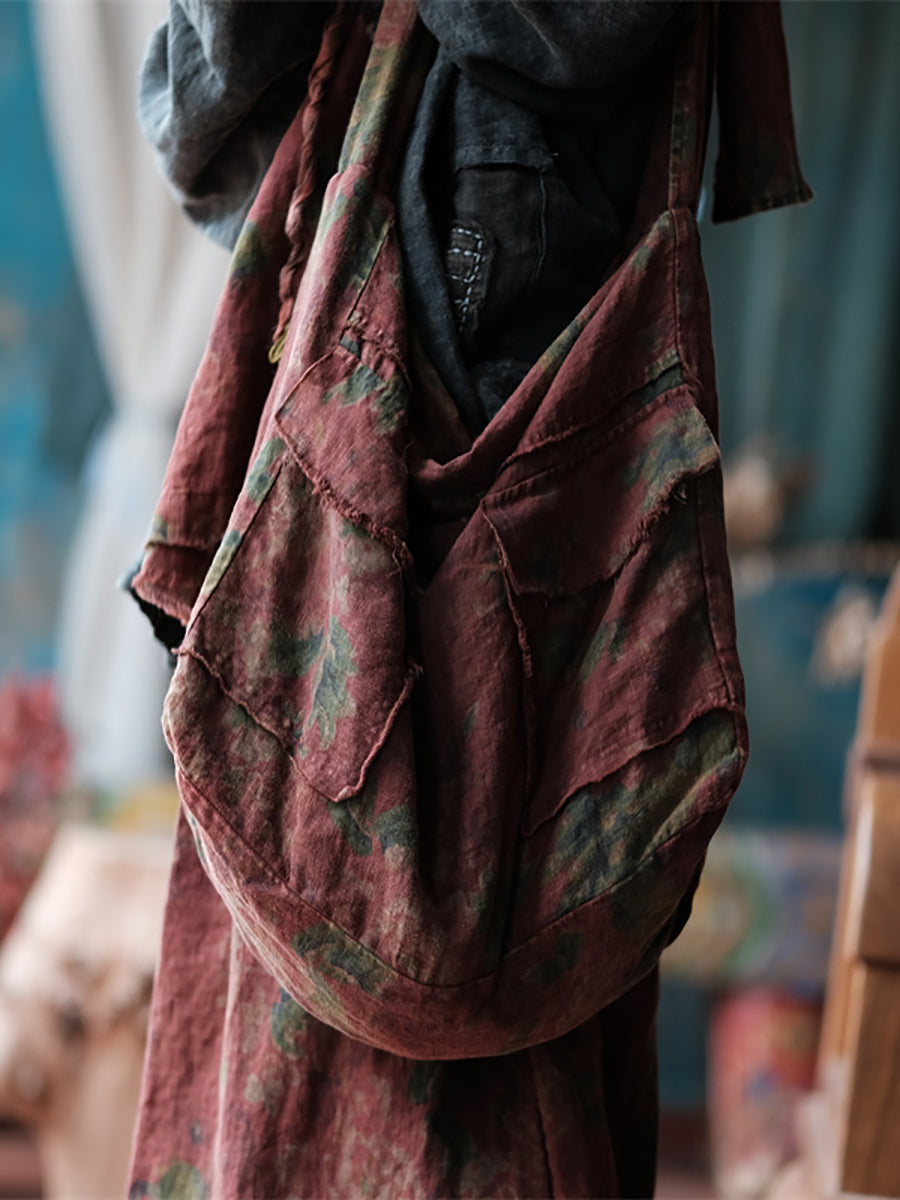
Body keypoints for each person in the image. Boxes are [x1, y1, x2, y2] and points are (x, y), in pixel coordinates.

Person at [128, 4, 810, 1196]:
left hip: (478, 176)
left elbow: (208, 88)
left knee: (403, 852)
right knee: (498, 841)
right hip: (512, 174)